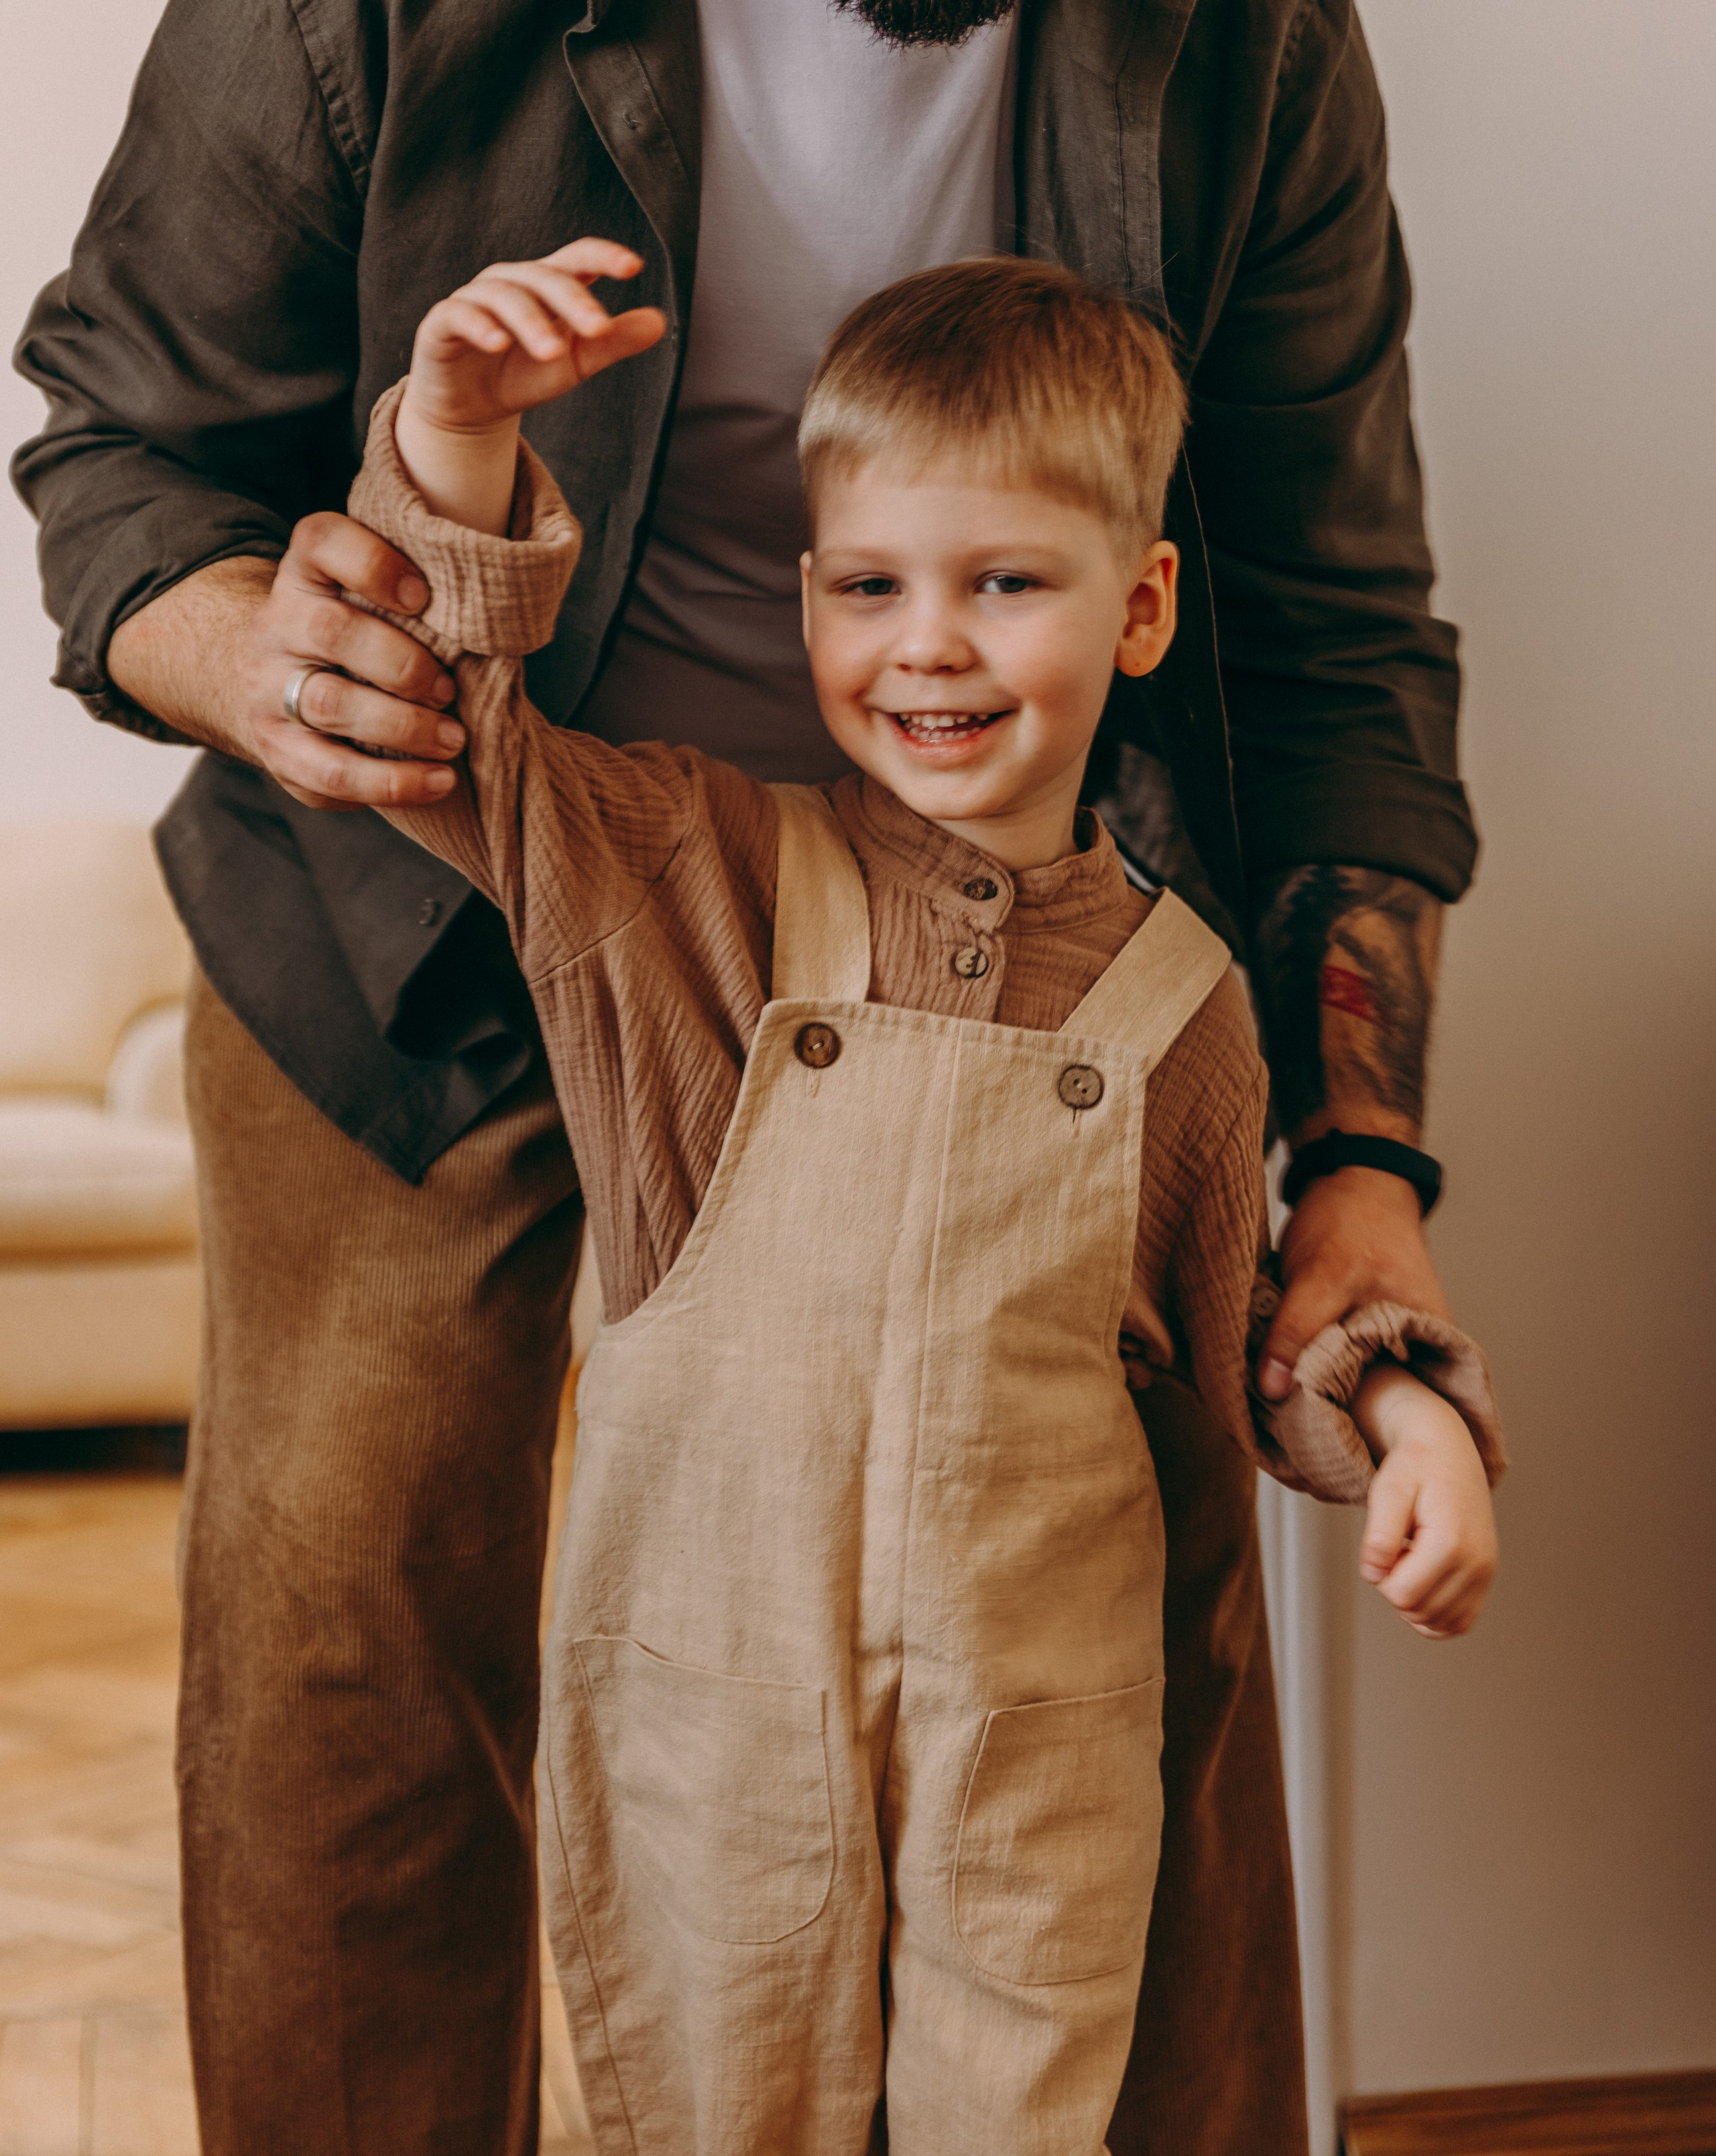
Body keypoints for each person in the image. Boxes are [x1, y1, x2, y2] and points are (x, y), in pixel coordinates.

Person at [10, 0, 1479, 2148]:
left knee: (1134, 1637)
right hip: (427, 911)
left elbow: (1340, 627)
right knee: (356, 1665)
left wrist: (1359, 1164)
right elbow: (122, 449)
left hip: (1023, 954)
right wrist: (245, 656)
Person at [350, 240, 1500, 2155]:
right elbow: (453, 737)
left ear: (1137, 610)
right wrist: (459, 433)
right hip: (718, 1725)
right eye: (871, 587)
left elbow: (1251, 1340)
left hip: (1028, 1756)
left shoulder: (1184, 1010)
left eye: (1004, 586)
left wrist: (1404, 1420)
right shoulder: (682, 881)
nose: (929, 644)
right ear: (807, 601)